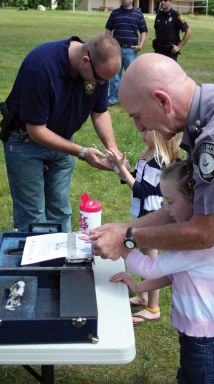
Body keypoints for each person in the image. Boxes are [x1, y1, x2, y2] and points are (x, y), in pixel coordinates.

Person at [87, 53, 214, 384]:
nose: (139, 129)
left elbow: (201, 232)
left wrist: (128, 237)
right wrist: (127, 227)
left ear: (162, 101)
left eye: (139, 118)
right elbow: (187, 205)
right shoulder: (207, 112)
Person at [111, 159, 214, 384]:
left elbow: (149, 267)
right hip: (209, 331)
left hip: (203, 338)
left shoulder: (193, 248)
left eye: (170, 202)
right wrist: (140, 287)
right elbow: (173, 275)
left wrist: (123, 245)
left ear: (194, 200)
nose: (166, 210)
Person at [1, 35, 121, 233]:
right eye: (100, 79)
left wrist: (112, 148)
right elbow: (36, 130)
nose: (102, 85)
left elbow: (99, 111)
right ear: (85, 60)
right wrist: (82, 152)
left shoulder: (98, 70)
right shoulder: (41, 67)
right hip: (25, 142)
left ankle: (60, 262)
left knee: (61, 211)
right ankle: (36, 263)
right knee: (32, 217)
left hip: (64, 141)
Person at [105, 130, 180, 324]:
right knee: (146, 259)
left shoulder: (159, 161)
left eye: (147, 129)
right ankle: (143, 297)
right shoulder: (147, 155)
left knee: (151, 264)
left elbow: (142, 190)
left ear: (159, 136)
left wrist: (122, 169)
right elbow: (132, 179)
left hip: (151, 217)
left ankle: (153, 308)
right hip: (142, 215)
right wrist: (118, 167)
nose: (141, 131)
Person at [105, 0, 147, 106]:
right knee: (115, 76)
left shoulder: (138, 14)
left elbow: (143, 31)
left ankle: (133, 99)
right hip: (116, 50)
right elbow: (108, 30)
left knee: (132, 76)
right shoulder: (115, 13)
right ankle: (113, 98)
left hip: (131, 51)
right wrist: (109, 44)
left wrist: (141, 45)